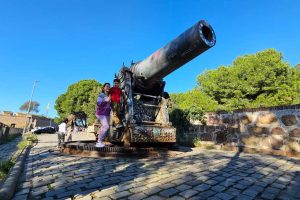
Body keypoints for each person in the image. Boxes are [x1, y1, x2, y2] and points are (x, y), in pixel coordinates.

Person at [95, 83, 111, 147]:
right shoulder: (101, 95)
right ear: (103, 88)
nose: (108, 87)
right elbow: (98, 103)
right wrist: (107, 100)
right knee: (106, 126)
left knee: (104, 127)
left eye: (109, 87)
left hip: (107, 114)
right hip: (101, 113)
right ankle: (99, 142)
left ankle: (100, 141)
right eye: (106, 86)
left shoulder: (109, 95)